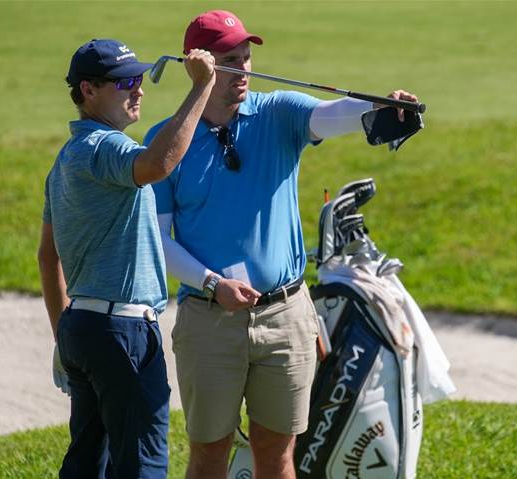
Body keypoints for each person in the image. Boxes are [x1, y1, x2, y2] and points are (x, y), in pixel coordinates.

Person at [143, 10, 418, 479]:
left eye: (248, 57)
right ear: (200, 66)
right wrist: (212, 283)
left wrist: (378, 109)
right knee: (209, 455)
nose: (245, 69)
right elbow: (157, 239)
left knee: (279, 457)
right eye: (232, 59)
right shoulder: (166, 142)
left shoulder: (277, 113)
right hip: (210, 320)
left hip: (285, 316)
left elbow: (331, 115)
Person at [37, 38, 214, 478]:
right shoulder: (103, 148)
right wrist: (201, 88)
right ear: (89, 91)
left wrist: (65, 334)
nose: (137, 89)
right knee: (141, 466)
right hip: (123, 333)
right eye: (123, 82)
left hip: (84, 326)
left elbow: (47, 257)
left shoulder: (65, 160)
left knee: (87, 463)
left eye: (137, 78)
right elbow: (158, 164)